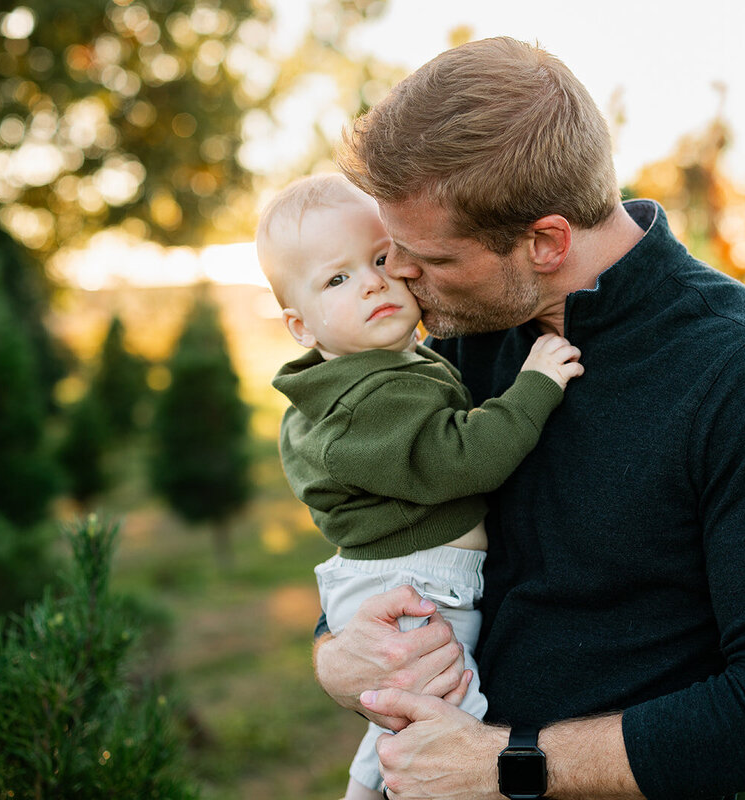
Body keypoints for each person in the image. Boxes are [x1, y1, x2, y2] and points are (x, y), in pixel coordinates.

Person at [312, 36, 745, 800]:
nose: (400, 278)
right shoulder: (458, 332)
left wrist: (508, 766)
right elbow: (383, 531)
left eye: (430, 258)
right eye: (391, 250)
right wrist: (334, 652)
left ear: (545, 241)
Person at [256, 173, 585, 800]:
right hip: (419, 590)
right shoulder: (370, 397)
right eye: (338, 279)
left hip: (398, 577)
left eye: (380, 259)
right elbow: (463, 458)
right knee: (457, 723)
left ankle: (362, 788)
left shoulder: (382, 367)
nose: (374, 281)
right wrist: (535, 383)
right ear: (301, 327)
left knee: (416, 719)